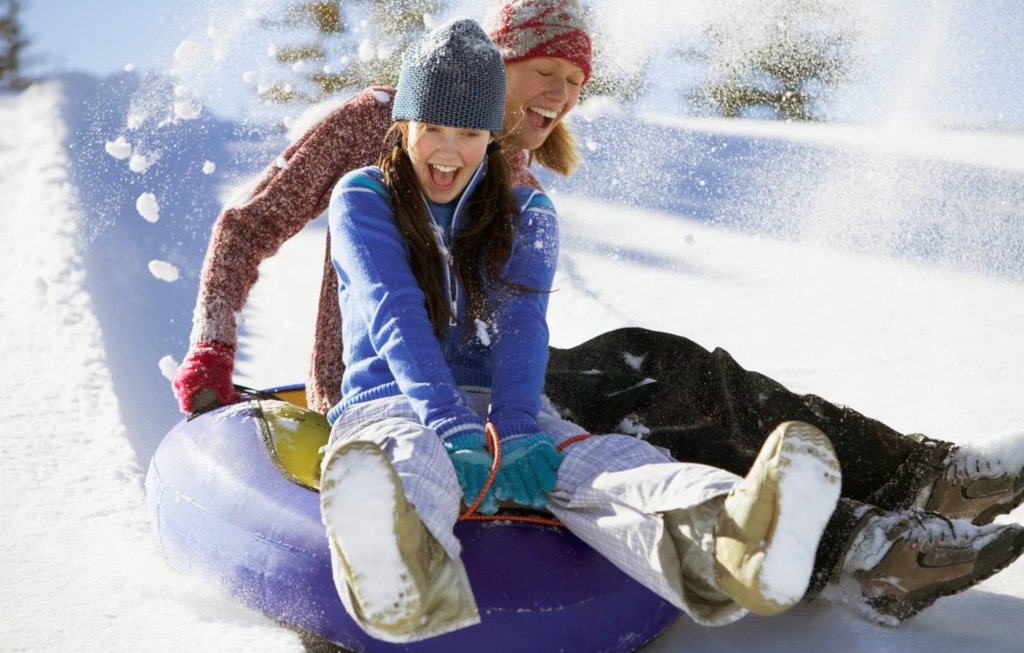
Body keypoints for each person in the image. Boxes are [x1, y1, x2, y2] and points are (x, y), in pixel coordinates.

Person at [171, 0, 1024, 628]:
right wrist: (211, 351)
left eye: (578, 85)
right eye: (550, 75)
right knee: (654, 375)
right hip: (382, 389)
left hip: (489, 384)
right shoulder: (377, 131)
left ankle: (913, 482)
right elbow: (255, 226)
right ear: (498, 60)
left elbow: (518, 322)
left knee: (670, 369)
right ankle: (869, 540)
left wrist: (512, 419)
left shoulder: (521, 188)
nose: (562, 100)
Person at [316, 18, 844, 642]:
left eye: (468, 132)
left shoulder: (528, 211)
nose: (448, 151)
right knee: (410, 454)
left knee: (599, 463)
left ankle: (728, 537)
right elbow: (392, 309)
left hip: (505, 407)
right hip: (391, 401)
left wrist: (513, 426)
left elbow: (521, 326)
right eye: (432, 128)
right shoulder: (363, 196)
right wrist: (451, 423)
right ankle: (399, 576)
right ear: (403, 126)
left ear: (491, 136)